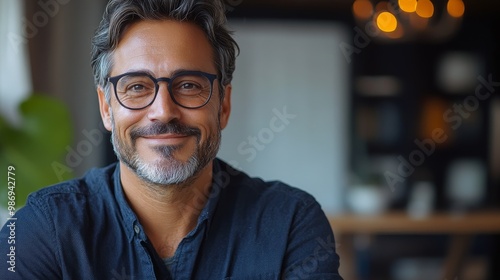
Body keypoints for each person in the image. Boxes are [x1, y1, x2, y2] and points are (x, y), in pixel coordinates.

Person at [0, 0, 342, 279]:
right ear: (106, 108)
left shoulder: (288, 223)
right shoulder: (43, 229)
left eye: (189, 85)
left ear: (223, 105)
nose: (163, 112)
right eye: (136, 87)